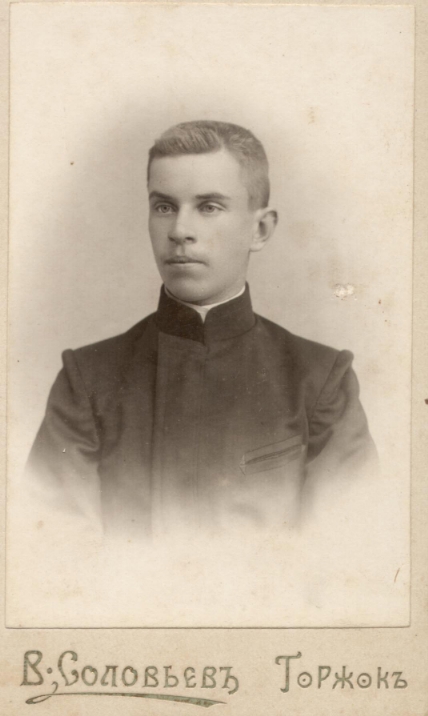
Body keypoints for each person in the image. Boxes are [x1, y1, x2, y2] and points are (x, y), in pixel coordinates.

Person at [26, 120, 376, 538]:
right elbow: (54, 551)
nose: (179, 231)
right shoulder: (86, 381)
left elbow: (346, 552)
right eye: (164, 207)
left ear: (260, 229)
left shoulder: (320, 381)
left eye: (209, 207)